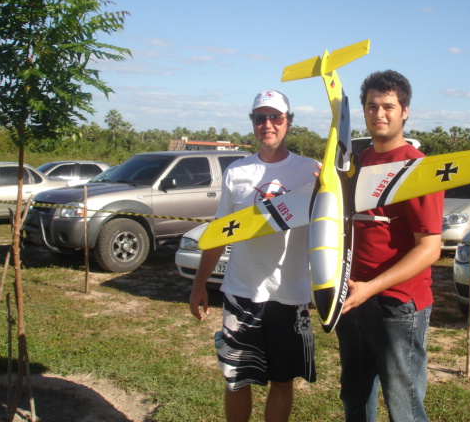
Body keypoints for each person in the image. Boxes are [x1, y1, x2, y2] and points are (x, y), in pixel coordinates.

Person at [189, 90, 318, 422]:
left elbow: (336, 226)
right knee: (235, 381)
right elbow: (219, 231)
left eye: (276, 117)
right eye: (260, 118)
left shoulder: (311, 171)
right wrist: (199, 284)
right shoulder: (237, 171)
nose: (268, 125)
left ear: (288, 122)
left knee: (283, 381)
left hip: (289, 294)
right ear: (253, 124)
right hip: (241, 292)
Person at [336, 70, 445, 422]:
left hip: (398, 305)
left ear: (405, 111)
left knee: (404, 407)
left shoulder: (418, 168)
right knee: (355, 400)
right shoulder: (358, 161)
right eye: (371, 106)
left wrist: (371, 289)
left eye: (388, 107)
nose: (378, 114)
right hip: (352, 298)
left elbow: (430, 249)